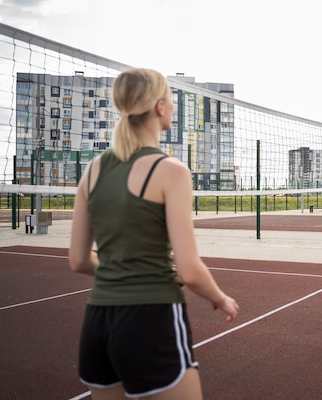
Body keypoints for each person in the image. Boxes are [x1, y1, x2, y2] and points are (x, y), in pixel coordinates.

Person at [69, 68, 239, 400]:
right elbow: (189, 270)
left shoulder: (93, 170)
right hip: (151, 319)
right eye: (171, 100)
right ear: (160, 107)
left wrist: (120, 269)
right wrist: (221, 298)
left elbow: (77, 260)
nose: (173, 108)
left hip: (97, 325)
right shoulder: (171, 171)